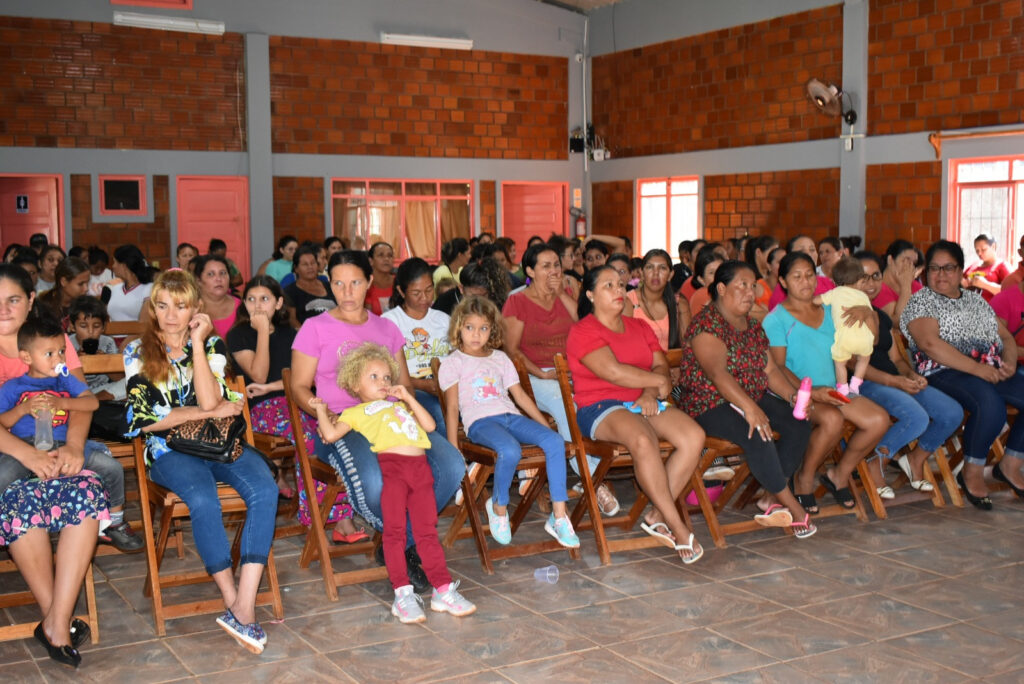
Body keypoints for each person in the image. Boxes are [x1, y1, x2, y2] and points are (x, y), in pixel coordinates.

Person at [290, 250, 465, 594]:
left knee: (451, 466)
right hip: (348, 425)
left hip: (396, 422)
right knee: (373, 483)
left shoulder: (385, 328)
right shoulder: (316, 328)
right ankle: (409, 545)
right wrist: (322, 411)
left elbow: (405, 384)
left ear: (369, 283)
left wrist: (410, 411)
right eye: (338, 283)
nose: (347, 291)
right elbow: (298, 386)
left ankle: (404, 543)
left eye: (355, 282)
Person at [124, 270, 277, 654]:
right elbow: (147, 421)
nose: (170, 315)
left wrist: (196, 342)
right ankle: (235, 603)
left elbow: (211, 404)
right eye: (162, 305)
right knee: (204, 498)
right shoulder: (136, 352)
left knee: (265, 489)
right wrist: (199, 412)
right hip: (167, 452)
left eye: (180, 306)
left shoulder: (211, 347)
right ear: (153, 308)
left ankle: (245, 602)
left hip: (219, 444)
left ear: (195, 309)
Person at [568, 265, 705, 563]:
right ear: (590, 294)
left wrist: (648, 391)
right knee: (643, 439)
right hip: (600, 405)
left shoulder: (639, 327)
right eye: (608, 286)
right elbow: (614, 373)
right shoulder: (582, 331)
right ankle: (678, 527)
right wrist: (656, 382)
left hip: (642, 400)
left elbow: (661, 367)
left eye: (620, 284)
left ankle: (657, 514)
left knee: (694, 436)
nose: (619, 291)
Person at [679, 261, 816, 536]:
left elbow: (769, 370)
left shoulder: (752, 325)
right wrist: (750, 409)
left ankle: (771, 496)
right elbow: (718, 375)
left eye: (753, 286)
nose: (750, 292)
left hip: (750, 395)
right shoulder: (706, 324)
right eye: (742, 285)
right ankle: (792, 507)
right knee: (757, 431)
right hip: (709, 402)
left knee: (798, 424)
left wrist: (791, 396)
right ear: (721, 288)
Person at [226, 275, 360, 541]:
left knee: (330, 432)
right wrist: (263, 332)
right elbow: (259, 376)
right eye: (251, 299)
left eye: (265, 299)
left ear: (278, 303)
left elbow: (306, 378)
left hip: (296, 401)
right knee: (309, 436)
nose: (258, 306)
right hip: (261, 410)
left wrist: (274, 385)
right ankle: (322, 516)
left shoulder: (293, 334)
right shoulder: (238, 334)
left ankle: (343, 514)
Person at [439, 296, 579, 548]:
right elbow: (451, 408)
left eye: (483, 328)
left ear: (492, 329)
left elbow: (521, 397)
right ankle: (499, 507)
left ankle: (559, 516)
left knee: (555, 442)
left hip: (510, 416)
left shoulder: (500, 359)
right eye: (470, 327)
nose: (476, 334)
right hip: (481, 423)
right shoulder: (453, 362)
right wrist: (453, 449)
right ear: (459, 327)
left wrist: (544, 427)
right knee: (509, 450)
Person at [0, 309, 140, 553]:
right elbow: (2, 420)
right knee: (3, 475)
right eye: (49, 354)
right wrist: (23, 409)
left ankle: (114, 523)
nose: (59, 359)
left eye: (62, 351)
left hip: (66, 445)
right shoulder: (13, 387)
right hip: (26, 447)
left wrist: (62, 403)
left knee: (112, 468)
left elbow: (92, 403)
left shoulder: (65, 381)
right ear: (26, 356)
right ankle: (6, 523)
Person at [901, 240, 1023, 509]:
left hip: (988, 369)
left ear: (959, 272)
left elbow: (1004, 337)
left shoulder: (974, 301)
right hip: (943, 371)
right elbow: (929, 345)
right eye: (934, 268)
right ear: (925, 273)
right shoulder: (922, 301)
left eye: (948, 268)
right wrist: (979, 369)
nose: (941, 274)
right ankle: (971, 471)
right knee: (990, 405)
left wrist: (1010, 362)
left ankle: (1010, 464)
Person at [763, 252, 888, 512]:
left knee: (878, 421)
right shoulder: (776, 319)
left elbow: (872, 342)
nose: (805, 282)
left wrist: (868, 314)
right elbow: (777, 367)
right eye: (796, 277)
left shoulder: (832, 308)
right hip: (798, 393)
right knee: (832, 419)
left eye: (810, 275)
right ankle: (805, 478)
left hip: (836, 388)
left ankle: (839, 474)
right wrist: (811, 391)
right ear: (783, 282)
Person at [502, 243, 620, 515]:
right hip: (533, 375)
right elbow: (512, 350)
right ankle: (593, 478)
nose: (553, 270)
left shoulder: (565, 295)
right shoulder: (517, 301)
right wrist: (542, 373)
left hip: (569, 371)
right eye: (546, 266)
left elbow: (584, 325)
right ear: (530, 270)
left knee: (603, 393)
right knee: (563, 400)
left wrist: (560, 293)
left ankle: (600, 462)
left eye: (556, 264)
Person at [852, 251, 963, 498]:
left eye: (875, 277)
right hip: (864, 383)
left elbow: (896, 359)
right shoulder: (841, 316)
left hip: (896, 381)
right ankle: (877, 460)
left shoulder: (879, 315)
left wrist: (910, 375)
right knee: (917, 417)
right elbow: (853, 365)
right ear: (848, 280)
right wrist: (896, 381)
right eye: (862, 277)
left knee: (951, 413)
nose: (870, 284)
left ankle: (915, 459)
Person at [1, 470, 110, 668]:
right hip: (9, 463)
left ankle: (55, 622)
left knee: (86, 493)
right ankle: (58, 621)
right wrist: (27, 454)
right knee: (19, 498)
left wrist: (73, 448)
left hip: (56, 457)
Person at [382, 258, 451, 433]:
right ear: (401, 291)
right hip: (410, 389)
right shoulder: (390, 322)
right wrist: (423, 385)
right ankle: (452, 457)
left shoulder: (443, 319)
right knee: (438, 411)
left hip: (445, 386)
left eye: (429, 290)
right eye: (416, 293)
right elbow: (386, 374)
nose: (425, 298)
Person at [815, 257, 875, 396]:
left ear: (835, 282)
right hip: (865, 339)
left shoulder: (835, 292)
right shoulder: (863, 296)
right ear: (860, 280)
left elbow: (817, 301)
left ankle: (843, 387)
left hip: (845, 339)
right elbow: (869, 313)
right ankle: (856, 383)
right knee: (864, 359)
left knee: (840, 363)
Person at [626, 249, 683, 351]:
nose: (656, 273)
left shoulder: (679, 303)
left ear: (670, 275)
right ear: (642, 274)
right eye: (649, 267)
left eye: (662, 268)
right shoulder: (628, 302)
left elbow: (686, 348)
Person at [68, 296, 124, 399]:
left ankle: (94, 400)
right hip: (77, 391)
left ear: (103, 327)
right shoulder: (67, 344)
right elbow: (62, 377)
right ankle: (91, 400)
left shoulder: (108, 343)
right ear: (72, 326)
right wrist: (75, 362)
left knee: (130, 383)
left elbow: (119, 378)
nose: (90, 331)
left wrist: (105, 363)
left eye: (96, 326)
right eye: (83, 326)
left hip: (103, 389)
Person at [767, 235, 834, 311]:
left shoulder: (826, 282)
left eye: (812, 250)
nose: (808, 254)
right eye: (801, 251)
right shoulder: (782, 289)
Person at [872, 239, 923, 324]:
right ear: (890, 260)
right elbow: (899, 322)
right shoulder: (878, 288)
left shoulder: (916, 286)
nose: (910, 266)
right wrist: (906, 287)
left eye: (914, 263)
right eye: (905, 261)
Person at [432, 259, 508, 316]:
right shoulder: (444, 303)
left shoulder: (496, 302)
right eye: (473, 296)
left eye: (483, 295)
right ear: (461, 288)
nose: (478, 301)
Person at [192, 254, 242, 340]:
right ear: (199, 280)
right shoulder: (191, 309)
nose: (218, 279)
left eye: (222, 273)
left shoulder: (241, 307)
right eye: (211, 274)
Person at [284, 243, 335, 326]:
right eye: (305, 264)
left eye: (313, 263)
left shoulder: (330, 286)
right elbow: (292, 320)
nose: (310, 267)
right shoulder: (290, 291)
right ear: (296, 268)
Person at [36, 257, 91, 331]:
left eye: (87, 283)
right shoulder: (44, 305)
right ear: (64, 281)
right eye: (80, 284)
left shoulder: (85, 304)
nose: (86, 288)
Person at [102, 244, 153, 322]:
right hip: (111, 333)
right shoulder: (115, 289)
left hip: (138, 334)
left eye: (115, 262)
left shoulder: (149, 289)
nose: (113, 266)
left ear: (124, 266)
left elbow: (145, 325)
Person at [962, 234, 1009, 301]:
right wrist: (962, 283)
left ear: (993, 246)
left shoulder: (1002, 265)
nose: (979, 253)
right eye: (977, 250)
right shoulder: (973, 265)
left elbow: (1011, 292)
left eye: (983, 250)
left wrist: (986, 285)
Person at [365, 242, 395, 316]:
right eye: (381, 255)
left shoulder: (400, 282)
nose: (386, 259)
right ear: (371, 261)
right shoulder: (366, 285)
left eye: (390, 256)